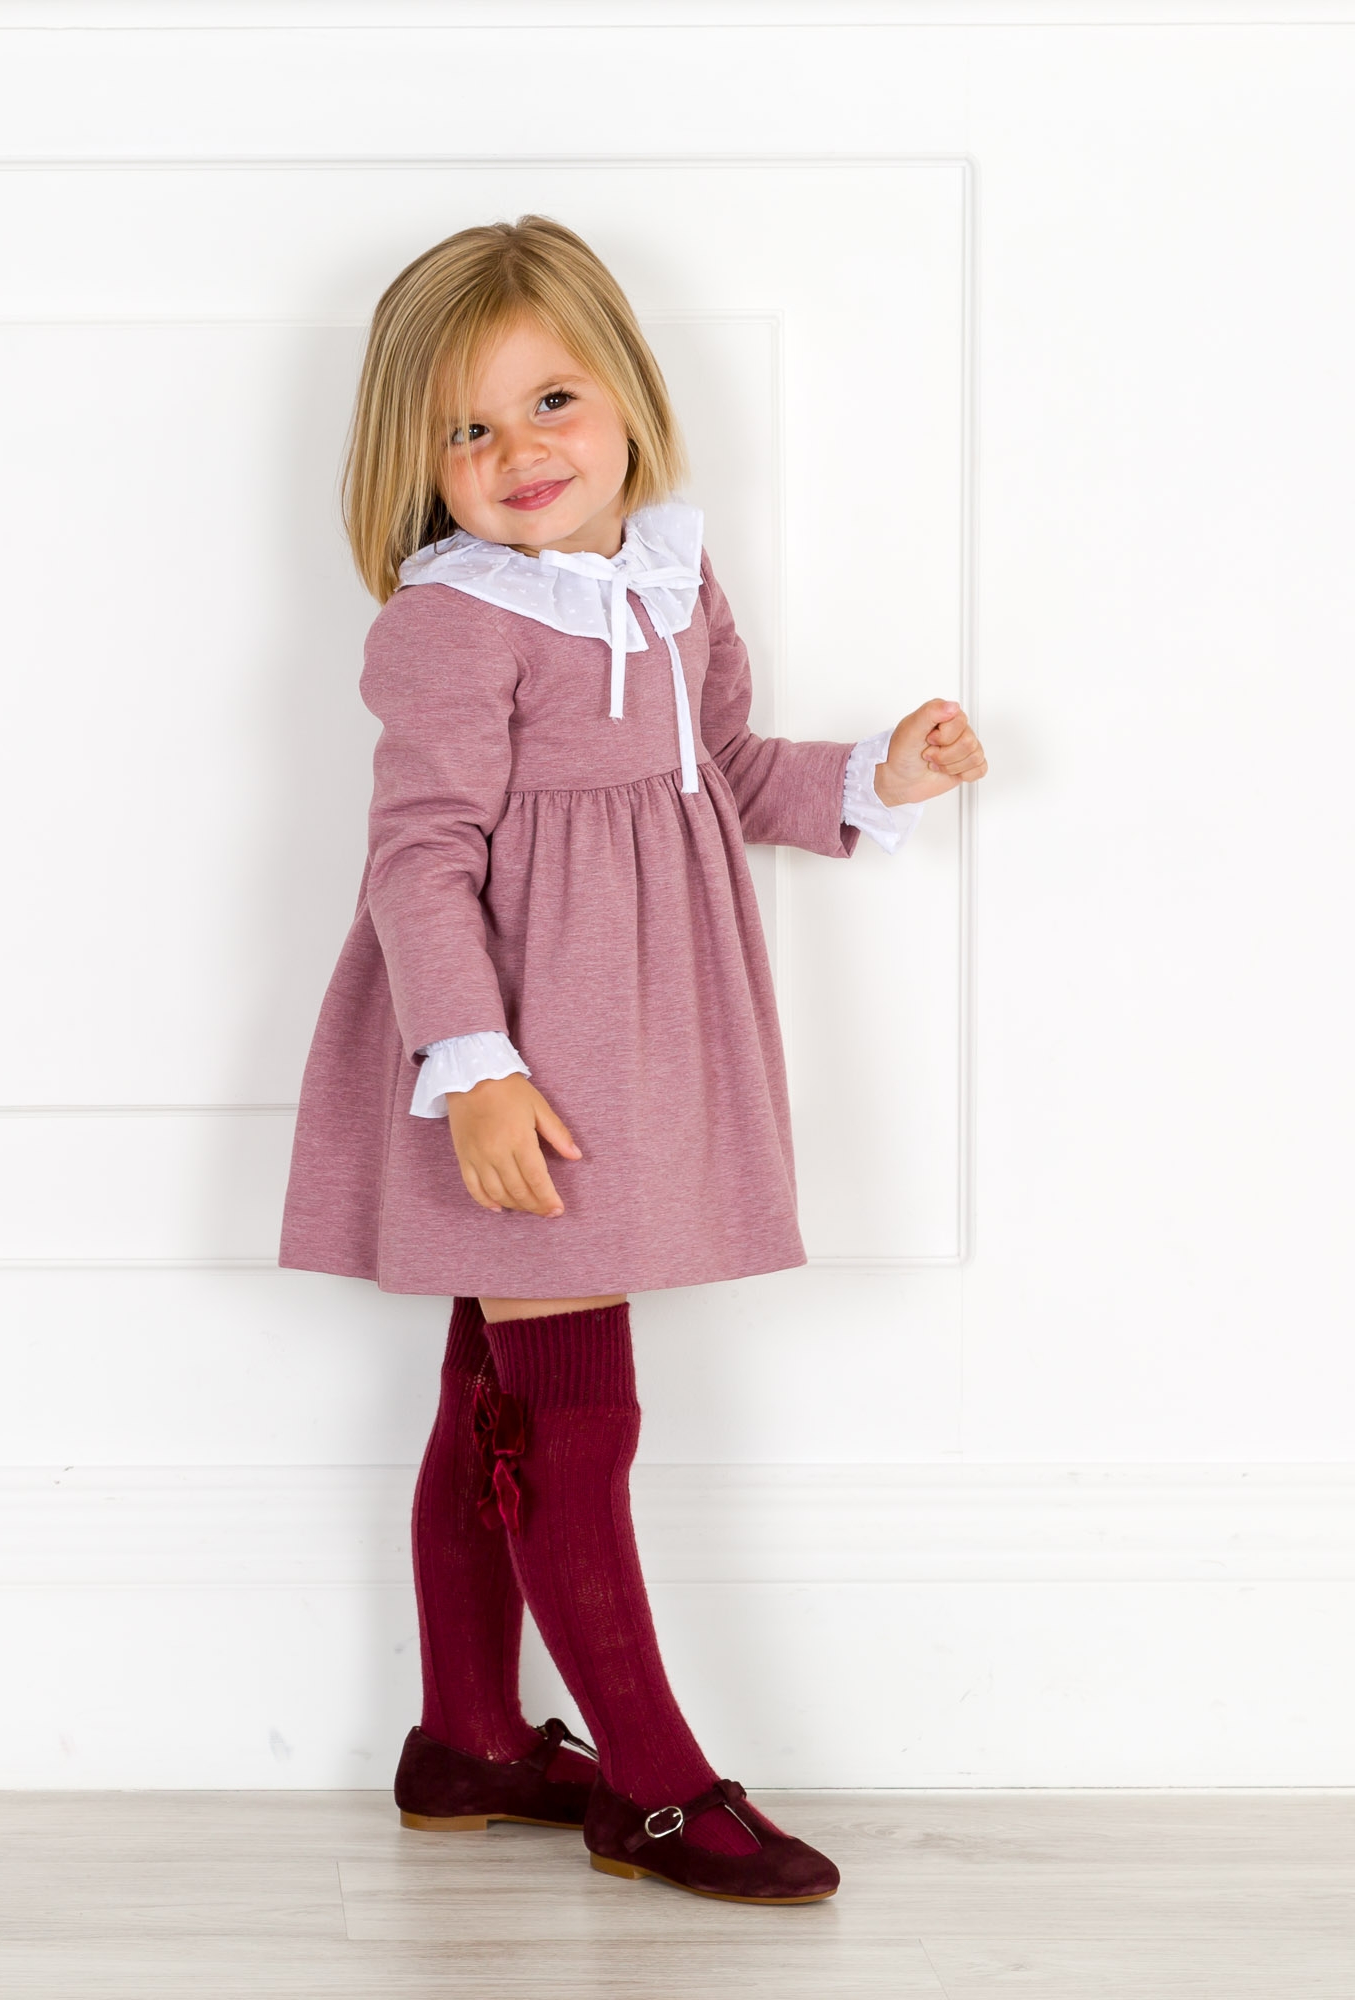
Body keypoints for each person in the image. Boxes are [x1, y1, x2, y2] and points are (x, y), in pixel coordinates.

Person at [278, 215, 987, 1905]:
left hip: (647, 1042)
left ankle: (469, 1740)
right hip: (523, 1061)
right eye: (465, 428)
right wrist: (478, 1066)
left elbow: (721, 772)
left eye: (552, 401)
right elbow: (420, 858)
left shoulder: (673, 584)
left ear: (628, 398)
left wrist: (874, 778)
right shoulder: (454, 624)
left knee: (498, 1389)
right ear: (414, 463)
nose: (519, 451)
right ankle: (656, 1788)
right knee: (573, 1415)